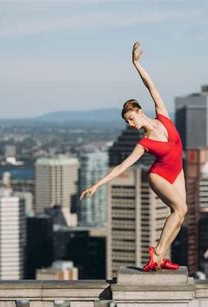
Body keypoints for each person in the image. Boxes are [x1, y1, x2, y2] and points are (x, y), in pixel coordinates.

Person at [79, 41, 187, 271]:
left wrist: (136, 63)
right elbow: (121, 167)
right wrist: (97, 185)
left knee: (180, 214)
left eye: (131, 118)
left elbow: (151, 86)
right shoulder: (144, 143)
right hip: (159, 176)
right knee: (180, 209)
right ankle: (156, 253)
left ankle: (160, 257)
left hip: (177, 171)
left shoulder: (163, 116)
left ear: (139, 111)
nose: (131, 124)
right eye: (127, 122)